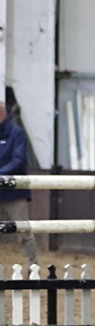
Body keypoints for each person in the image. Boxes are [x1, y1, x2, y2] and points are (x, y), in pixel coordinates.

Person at [0, 100, 37, 265]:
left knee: (24, 232)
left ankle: (32, 266)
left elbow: (18, 160)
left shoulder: (17, 133)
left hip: (15, 193)